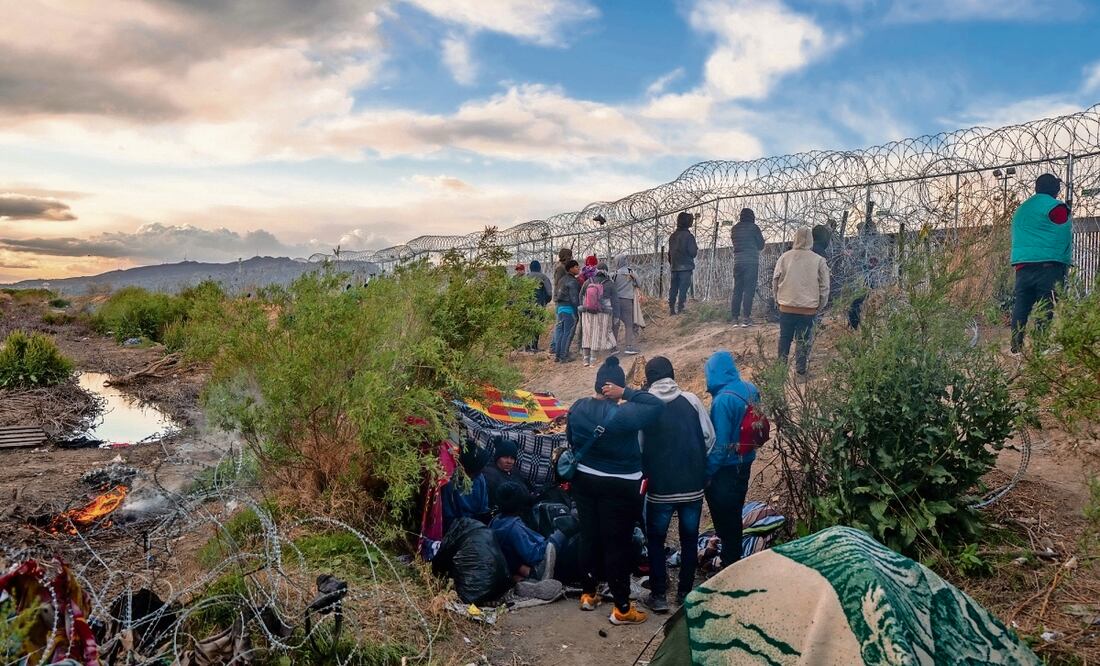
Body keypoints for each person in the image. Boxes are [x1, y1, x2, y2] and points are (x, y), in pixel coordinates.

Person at [567, 357, 663, 625]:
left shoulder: (577, 407)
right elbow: (657, 405)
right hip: (620, 485)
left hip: (584, 479)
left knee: (589, 536)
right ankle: (621, 608)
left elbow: (572, 440)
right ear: (615, 387)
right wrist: (627, 392)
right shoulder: (625, 414)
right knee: (616, 543)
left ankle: (588, 594)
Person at [639, 356, 715, 614]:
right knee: (690, 539)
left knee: (656, 540)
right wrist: (696, 461)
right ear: (672, 374)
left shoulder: (646, 405)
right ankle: (685, 593)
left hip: (660, 487)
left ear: (649, 377)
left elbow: (639, 445)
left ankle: (659, 594)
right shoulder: (691, 400)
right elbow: (709, 437)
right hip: (692, 485)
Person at [703, 350, 759, 571]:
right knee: (735, 508)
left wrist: (707, 473)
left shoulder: (722, 401)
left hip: (726, 466)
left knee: (725, 513)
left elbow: (720, 445)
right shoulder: (750, 388)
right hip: (746, 458)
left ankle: (730, 562)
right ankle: (732, 554)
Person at [1010, 173, 1073, 354]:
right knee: (1045, 307)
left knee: (1021, 306)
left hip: (1022, 267)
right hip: (1048, 267)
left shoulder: (1021, 209)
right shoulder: (1056, 208)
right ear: (1055, 189)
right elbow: (1063, 228)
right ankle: (1040, 347)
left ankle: (1016, 347)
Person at [773, 226, 829, 375]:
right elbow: (825, 287)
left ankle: (780, 371)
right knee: (803, 340)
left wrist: (778, 300)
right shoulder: (819, 260)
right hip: (808, 310)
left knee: (784, 338)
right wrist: (819, 306)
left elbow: (775, 280)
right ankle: (801, 372)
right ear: (811, 240)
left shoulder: (784, 257)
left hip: (786, 306)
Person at [490, 482, 563, 584]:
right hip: (534, 559)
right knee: (563, 534)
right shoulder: (513, 528)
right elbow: (534, 555)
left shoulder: (496, 520)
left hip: (511, 562)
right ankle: (534, 573)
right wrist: (557, 536)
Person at [441, 440, 490, 533]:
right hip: (457, 531)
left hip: (477, 527)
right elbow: (448, 517)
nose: (483, 470)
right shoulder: (450, 484)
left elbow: (483, 507)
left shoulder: (480, 478)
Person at [730, 208, 765, 327]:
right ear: (752, 217)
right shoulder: (754, 228)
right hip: (751, 262)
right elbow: (761, 245)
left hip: (738, 262)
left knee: (737, 290)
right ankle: (746, 318)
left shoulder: (735, 229)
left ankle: (734, 318)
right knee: (749, 290)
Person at [580, 262, 616, 367]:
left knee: (587, 335)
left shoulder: (588, 281)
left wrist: (583, 309)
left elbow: (581, 295)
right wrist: (616, 315)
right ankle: (593, 360)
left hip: (587, 312)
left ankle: (585, 360)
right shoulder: (609, 283)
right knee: (597, 335)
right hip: (602, 313)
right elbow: (615, 300)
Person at [482, 438, 530, 509]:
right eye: (505, 457)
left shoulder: (514, 471)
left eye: (512, 458)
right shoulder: (490, 474)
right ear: (497, 458)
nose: (509, 461)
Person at [667, 212, 698, 315]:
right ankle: (681, 308)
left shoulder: (672, 236)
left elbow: (670, 253)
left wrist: (672, 263)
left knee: (673, 288)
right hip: (685, 267)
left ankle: (671, 309)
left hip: (674, 266)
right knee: (683, 289)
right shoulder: (689, 236)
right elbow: (693, 252)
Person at [551, 260, 581, 363]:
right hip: (569, 310)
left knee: (561, 332)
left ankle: (558, 355)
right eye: (576, 267)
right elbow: (574, 299)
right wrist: (578, 311)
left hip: (560, 309)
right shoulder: (573, 281)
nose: (578, 268)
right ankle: (564, 356)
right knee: (568, 333)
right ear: (571, 269)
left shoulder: (562, 280)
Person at [611, 254, 639, 355]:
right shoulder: (631, 272)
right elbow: (638, 283)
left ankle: (613, 347)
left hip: (615, 301)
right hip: (627, 300)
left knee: (615, 324)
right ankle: (628, 347)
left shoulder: (614, 274)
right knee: (629, 324)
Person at [527, 260, 553, 352]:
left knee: (527, 325)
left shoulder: (525, 277)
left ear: (530, 268)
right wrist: (545, 302)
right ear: (539, 268)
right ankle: (534, 346)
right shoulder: (543, 277)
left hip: (526, 306)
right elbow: (549, 293)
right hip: (539, 305)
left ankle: (527, 347)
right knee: (537, 325)